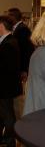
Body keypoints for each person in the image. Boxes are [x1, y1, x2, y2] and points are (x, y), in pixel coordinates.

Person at [0, 15, 21, 147]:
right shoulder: (8, 41)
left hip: (5, 87)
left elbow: (6, 68)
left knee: (7, 115)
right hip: (6, 86)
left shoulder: (9, 43)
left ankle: (10, 140)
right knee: (4, 114)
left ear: (1, 26)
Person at [7, 8, 35, 82]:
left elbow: (25, 50)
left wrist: (24, 69)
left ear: (13, 16)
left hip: (21, 67)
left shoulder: (23, 29)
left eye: (8, 16)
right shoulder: (16, 28)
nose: (7, 18)